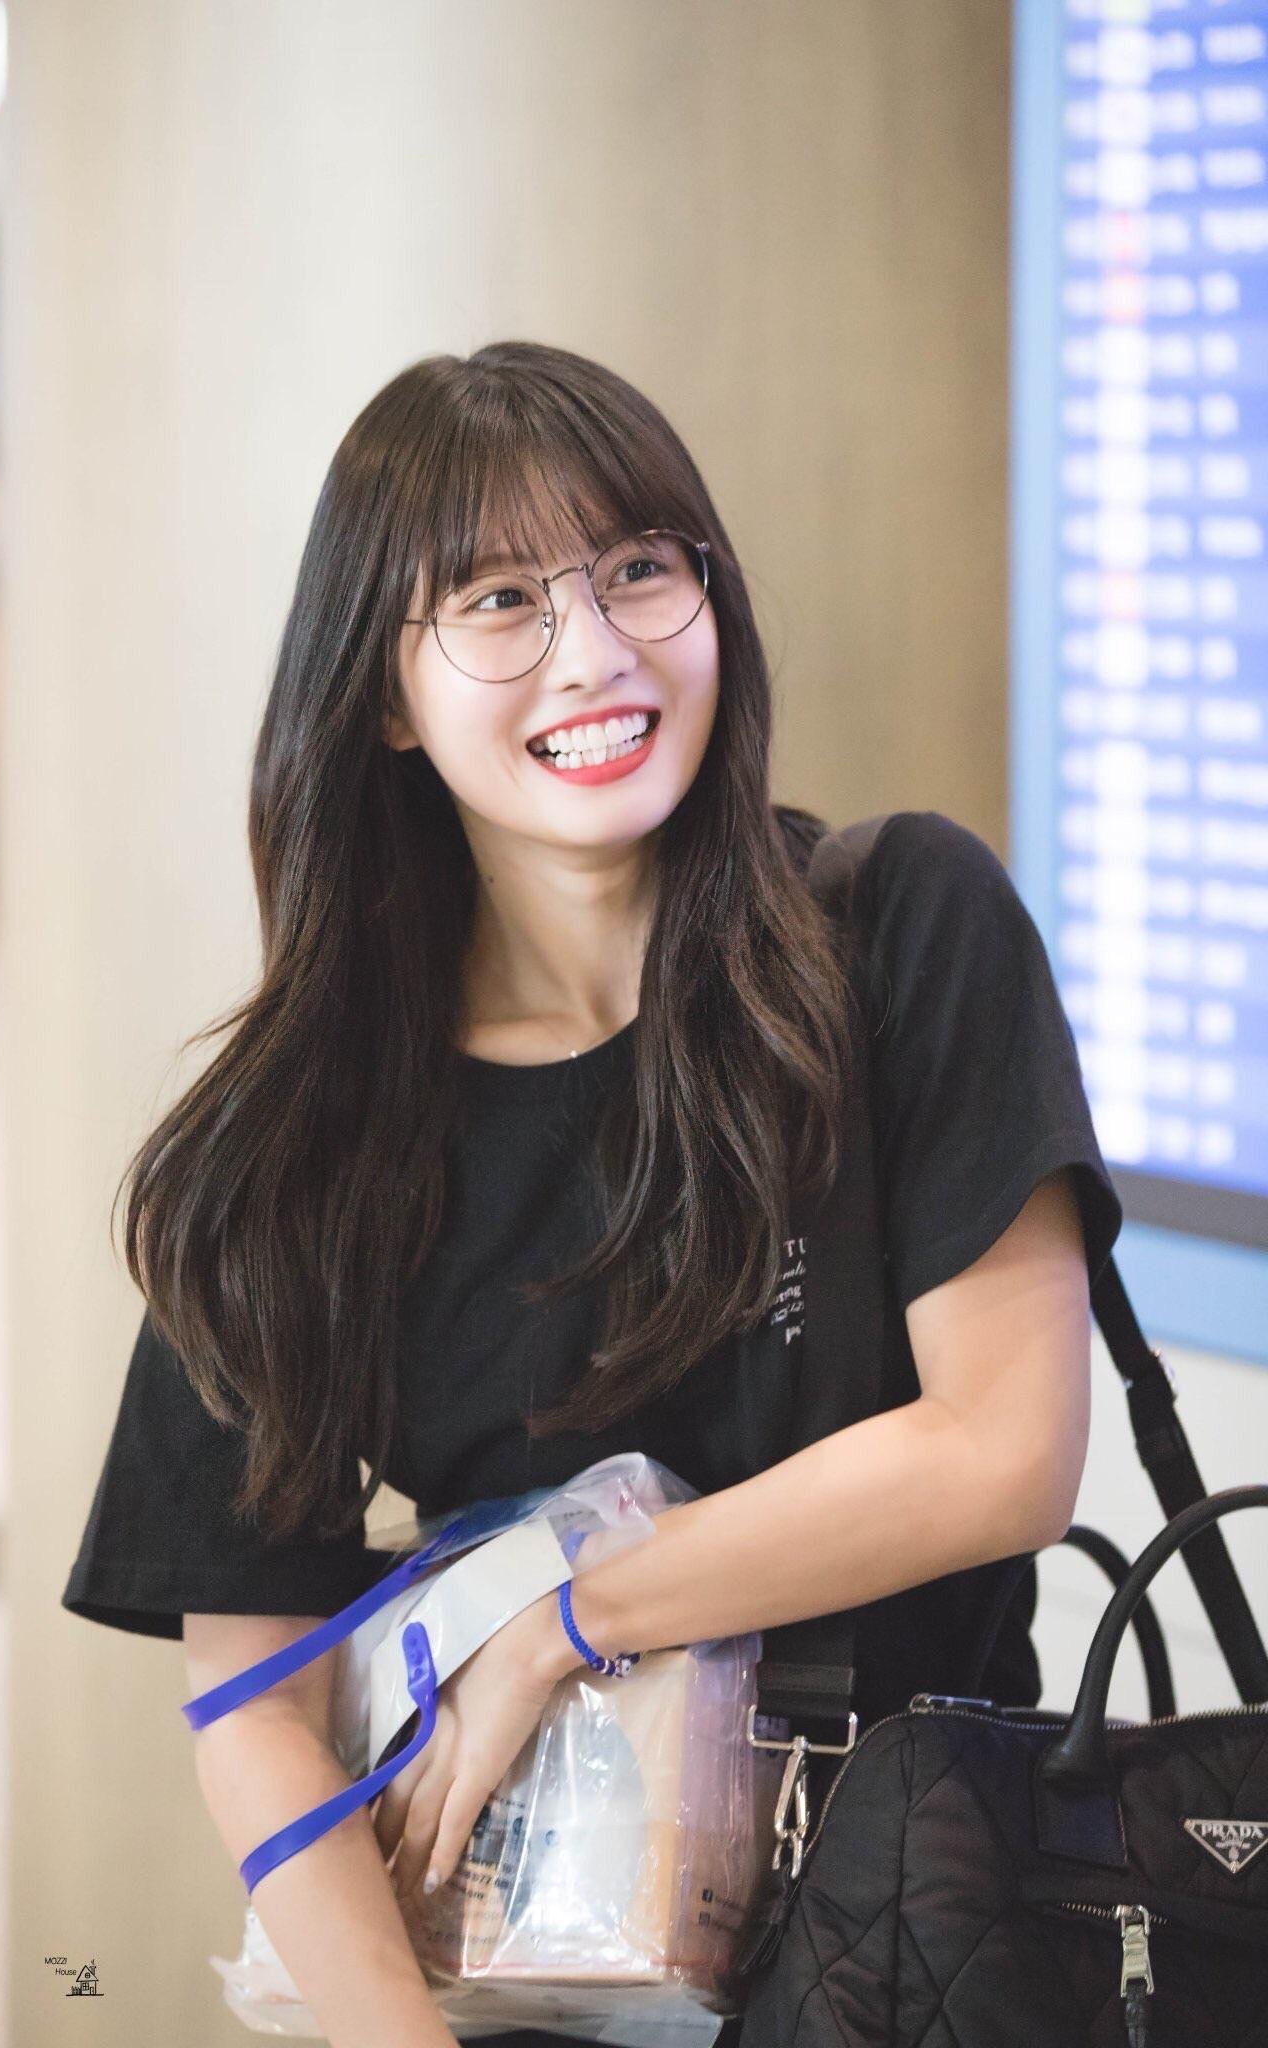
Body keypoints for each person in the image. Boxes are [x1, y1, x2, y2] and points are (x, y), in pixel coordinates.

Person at [61, 339, 1123, 2048]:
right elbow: (251, 1695)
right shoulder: (296, 1144)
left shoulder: (899, 933)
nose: (596, 650)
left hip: (918, 1960)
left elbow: (1004, 1453)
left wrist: (574, 1618)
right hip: (516, 1993)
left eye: (636, 568)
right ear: (385, 695)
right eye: (499, 600)